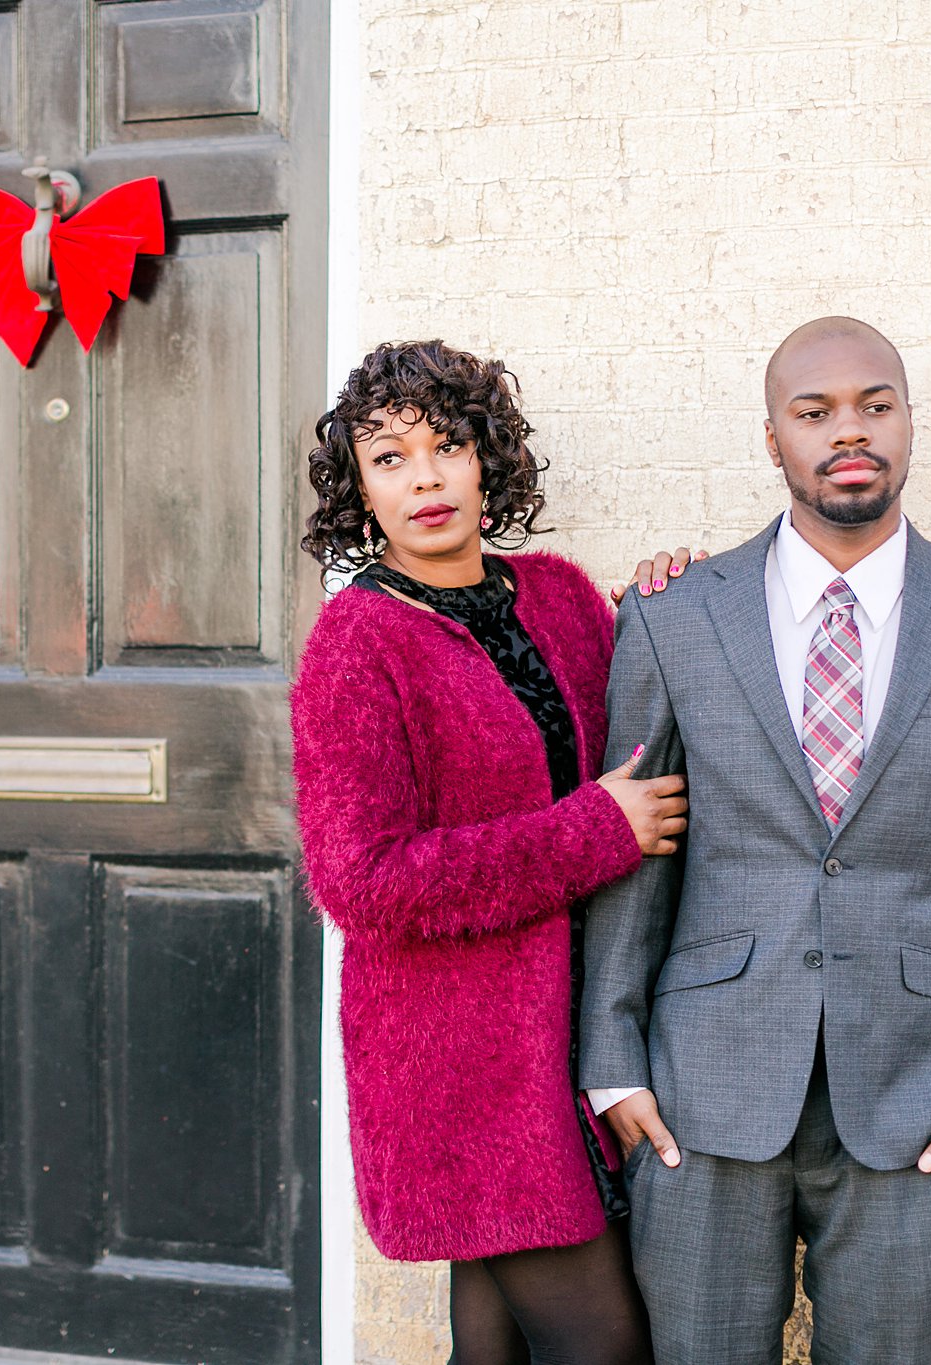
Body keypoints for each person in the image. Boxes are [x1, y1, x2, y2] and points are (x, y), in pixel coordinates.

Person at [580, 316, 931, 1364]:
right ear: (771, 440)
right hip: (699, 1101)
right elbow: (634, 850)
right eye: (813, 412)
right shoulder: (674, 616)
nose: (848, 431)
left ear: (906, 423)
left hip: (919, 1099)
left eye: (874, 405)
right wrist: (610, 1067)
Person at [291, 340, 693, 1365]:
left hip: (573, 1034)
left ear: (488, 459)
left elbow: (639, 742)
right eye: (388, 458)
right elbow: (363, 881)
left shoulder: (557, 597)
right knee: (604, 1346)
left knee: (494, 1348)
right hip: (459, 1067)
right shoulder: (356, 644)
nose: (423, 478)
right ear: (359, 491)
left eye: (447, 445)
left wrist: (665, 609)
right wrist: (591, 832)